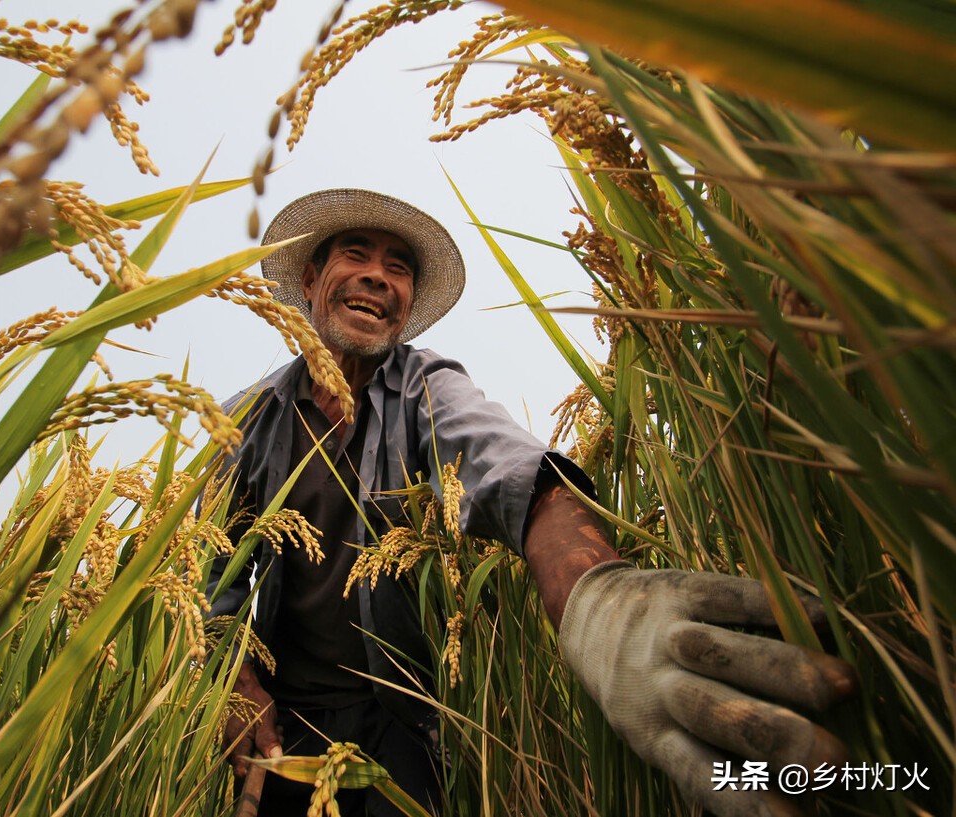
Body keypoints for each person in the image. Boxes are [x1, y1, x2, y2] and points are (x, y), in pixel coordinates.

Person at [207, 189, 856, 817]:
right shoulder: (248, 420)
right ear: (314, 279)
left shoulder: (424, 387)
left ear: (405, 307)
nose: (378, 277)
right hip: (281, 719)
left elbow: (515, 471)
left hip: (401, 713)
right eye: (357, 254)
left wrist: (600, 601)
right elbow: (203, 570)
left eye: (398, 267)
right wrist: (232, 685)